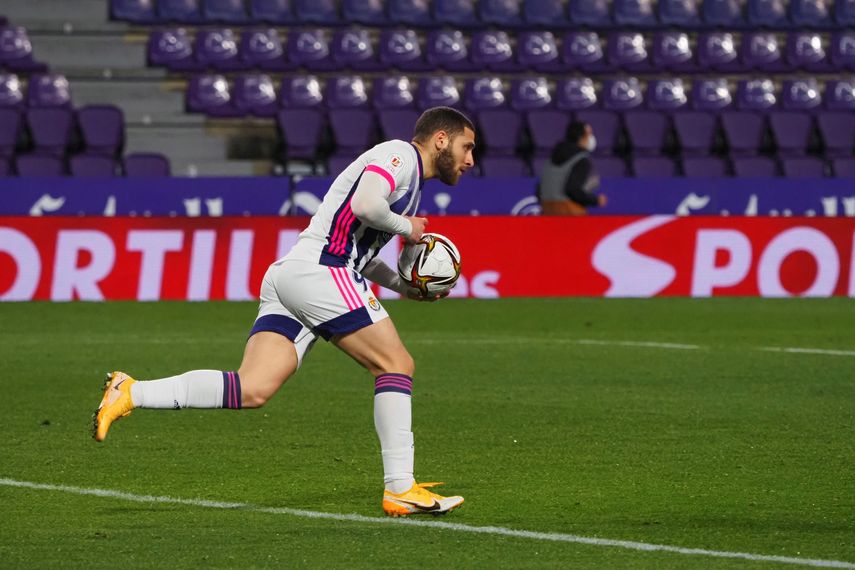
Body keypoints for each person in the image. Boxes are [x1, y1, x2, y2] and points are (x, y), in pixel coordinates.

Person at [93, 106, 477, 518]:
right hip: (321, 272)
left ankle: (131, 390)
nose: (470, 159)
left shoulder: (408, 180)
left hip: (293, 275)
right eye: (466, 147)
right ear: (440, 139)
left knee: (252, 388)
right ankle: (400, 486)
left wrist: (404, 286)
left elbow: (361, 252)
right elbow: (366, 205)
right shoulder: (398, 156)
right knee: (395, 364)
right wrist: (408, 228)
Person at [538, 121, 608, 215]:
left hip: (546, 209)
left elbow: (540, 187)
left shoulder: (551, 157)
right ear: (580, 137)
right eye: (589, 134)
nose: (591, 138)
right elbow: (572, 190)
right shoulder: (581, 160)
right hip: (569, 211)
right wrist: (595, 200)